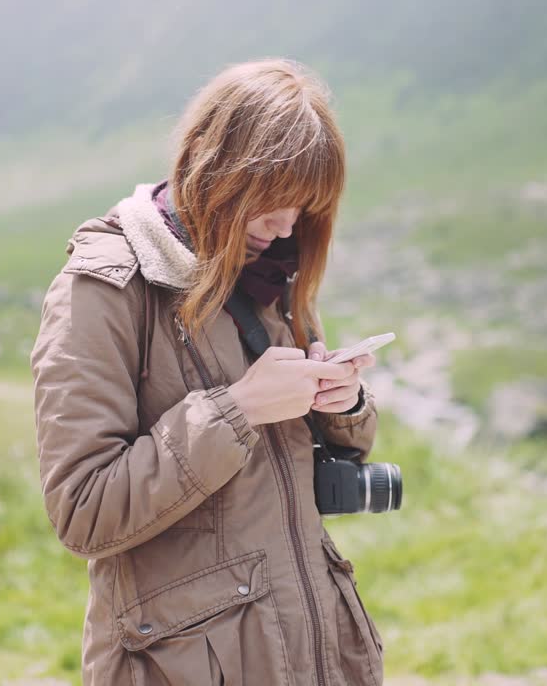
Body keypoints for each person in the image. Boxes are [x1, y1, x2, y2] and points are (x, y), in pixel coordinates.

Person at [30, 58, 385, 685]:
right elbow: (83, 509)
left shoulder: (271, 276)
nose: (286, 228)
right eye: (273, 205)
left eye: (304, 208)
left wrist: (343, 402)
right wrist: (239, 409)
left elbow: (322, 454)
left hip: (308, 654)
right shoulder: (104, 288)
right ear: (215, 171)